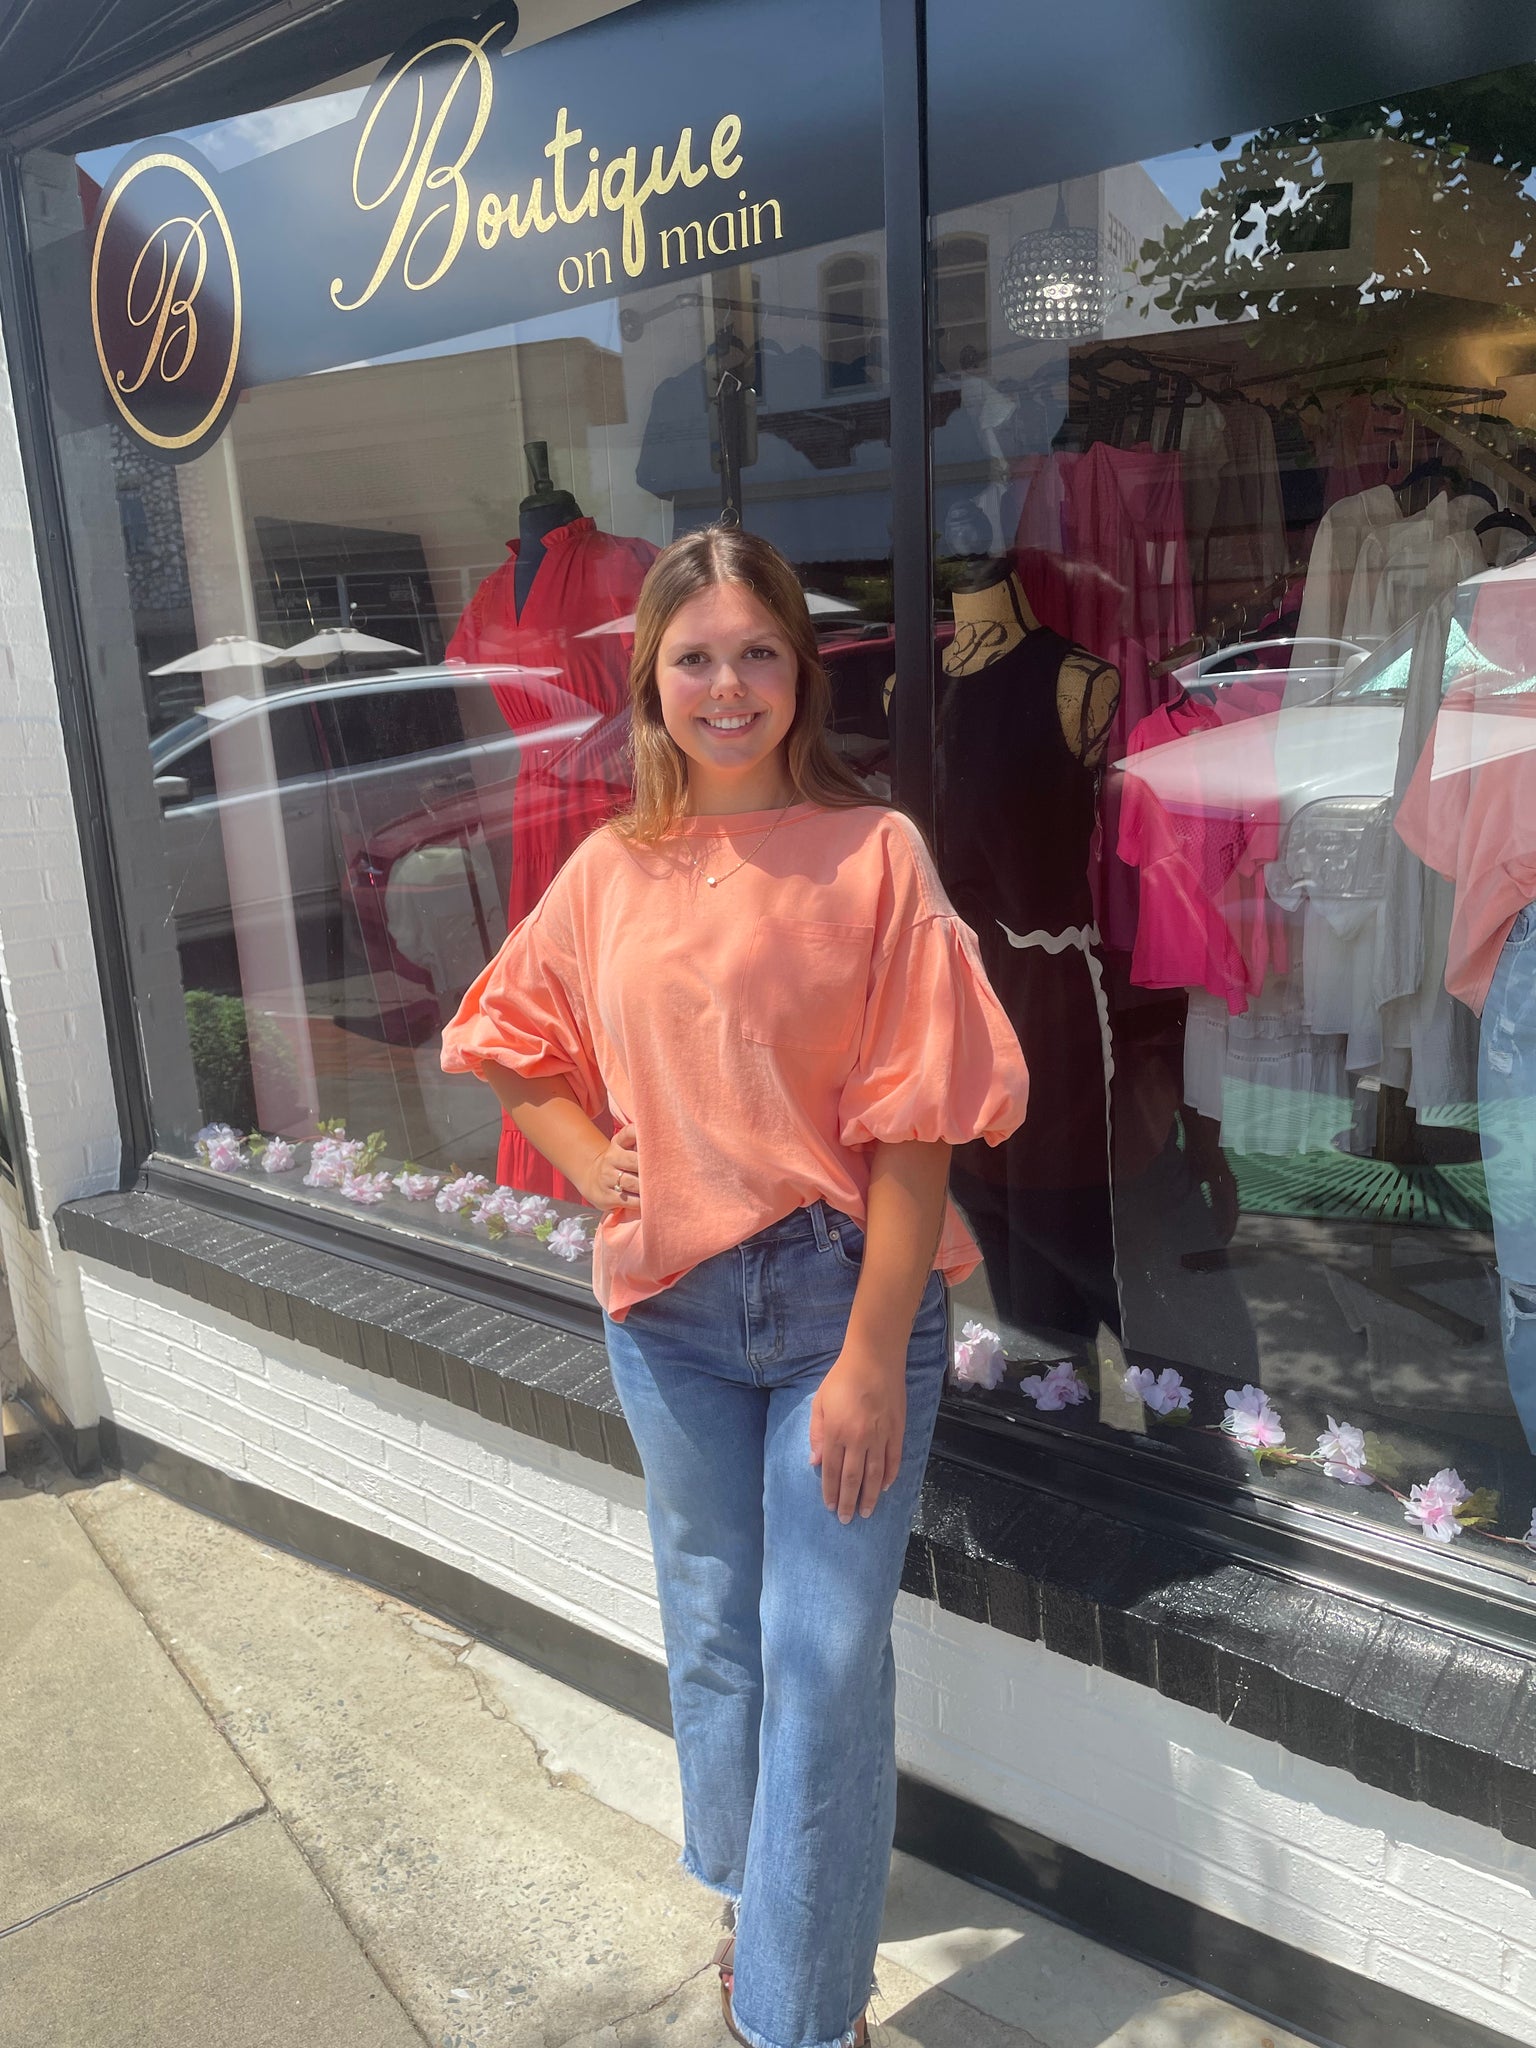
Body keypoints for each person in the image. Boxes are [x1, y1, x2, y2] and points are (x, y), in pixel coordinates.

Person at [440, 526, 1028, 2048]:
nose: (727, 684)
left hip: (846, 1302)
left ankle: (792, 2011)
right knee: (714, 1627)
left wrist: (869, 1354)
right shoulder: (611, 869)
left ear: (801, 669)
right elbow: (500, 1032)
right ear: (650, 678)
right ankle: (759, 1896)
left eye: (756, 651)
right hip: (674, 1320)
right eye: (693, 656)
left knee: (824, 1657)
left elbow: (919, 1124)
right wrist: (585, 1152)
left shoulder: (873, 853)